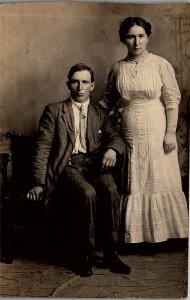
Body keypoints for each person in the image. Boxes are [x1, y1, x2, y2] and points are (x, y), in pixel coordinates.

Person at [26, 63, 131, 277]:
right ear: (68, 84)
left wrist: (111, 150)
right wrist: (38, 182)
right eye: (75, 82)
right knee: (87, 193)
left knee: (110, 189)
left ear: (92, 86)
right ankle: (84, 254)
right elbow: (42, 147)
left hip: (94, 165)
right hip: (68, 166)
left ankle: (111, 253)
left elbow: (115, 137)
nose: (80, 87)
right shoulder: (54, 111)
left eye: (84, 82)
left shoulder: (100, 113)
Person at [100, 17, 189, 245]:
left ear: (147, 37)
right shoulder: (117, 68)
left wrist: (170, 133)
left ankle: (165, 235)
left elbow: (172, 100)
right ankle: (135, 236)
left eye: (141, 36)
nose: (136, 42)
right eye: (131, 37)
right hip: (129, 127)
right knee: (134, 178)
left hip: (157, 126)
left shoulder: (160, 64)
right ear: (123, 40)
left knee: (158, 176)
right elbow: (107, 102)